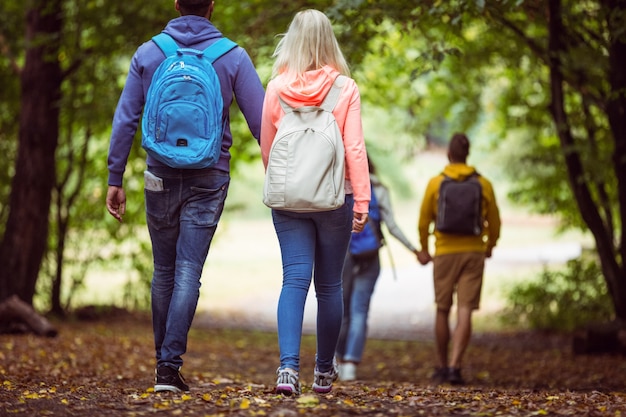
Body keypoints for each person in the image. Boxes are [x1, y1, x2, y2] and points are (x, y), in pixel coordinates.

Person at [105, 0, 265, 393]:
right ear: (212, 7)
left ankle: (164, 366)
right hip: (209, 176)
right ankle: (168, 366)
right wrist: (278, 173)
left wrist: (115, 175)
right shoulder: (233, 57)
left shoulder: (149, 52)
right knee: (188, 270)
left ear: (176, 5)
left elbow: (126, 117)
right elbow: (262, 122)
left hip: (159, 172)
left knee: (164, 271)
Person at [260, 9, 370, 395]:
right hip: (334, 199)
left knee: (293, 280)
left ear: (292, 40)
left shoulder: (275, 89)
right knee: (328, 286)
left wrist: (284, 184)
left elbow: (267, 149)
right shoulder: (345, 88)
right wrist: (362, 199)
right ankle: (324, 372)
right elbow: (355, 148)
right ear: (329, 41)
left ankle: (287, 370)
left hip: (288, 201)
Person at [417, 133, 501, 385]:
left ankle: (441, 366)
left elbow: (423, 221)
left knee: (443, 308)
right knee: (465, 309)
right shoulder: (484, 184)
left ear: (448, 155)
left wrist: (424, 248)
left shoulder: (435, 183)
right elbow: (495, 222)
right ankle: (455, 366)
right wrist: (489, 245)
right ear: (468, 154)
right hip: (473, 251)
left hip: (444, 252)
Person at [336, 159, 420, 381]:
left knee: (341, 310)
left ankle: (338, 360)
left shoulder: (339, 186)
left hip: (343, 255)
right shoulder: (380, 189)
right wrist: (414, 250)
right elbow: (392, 226)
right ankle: (352, 364)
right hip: (371, 256)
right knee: (359, 311)